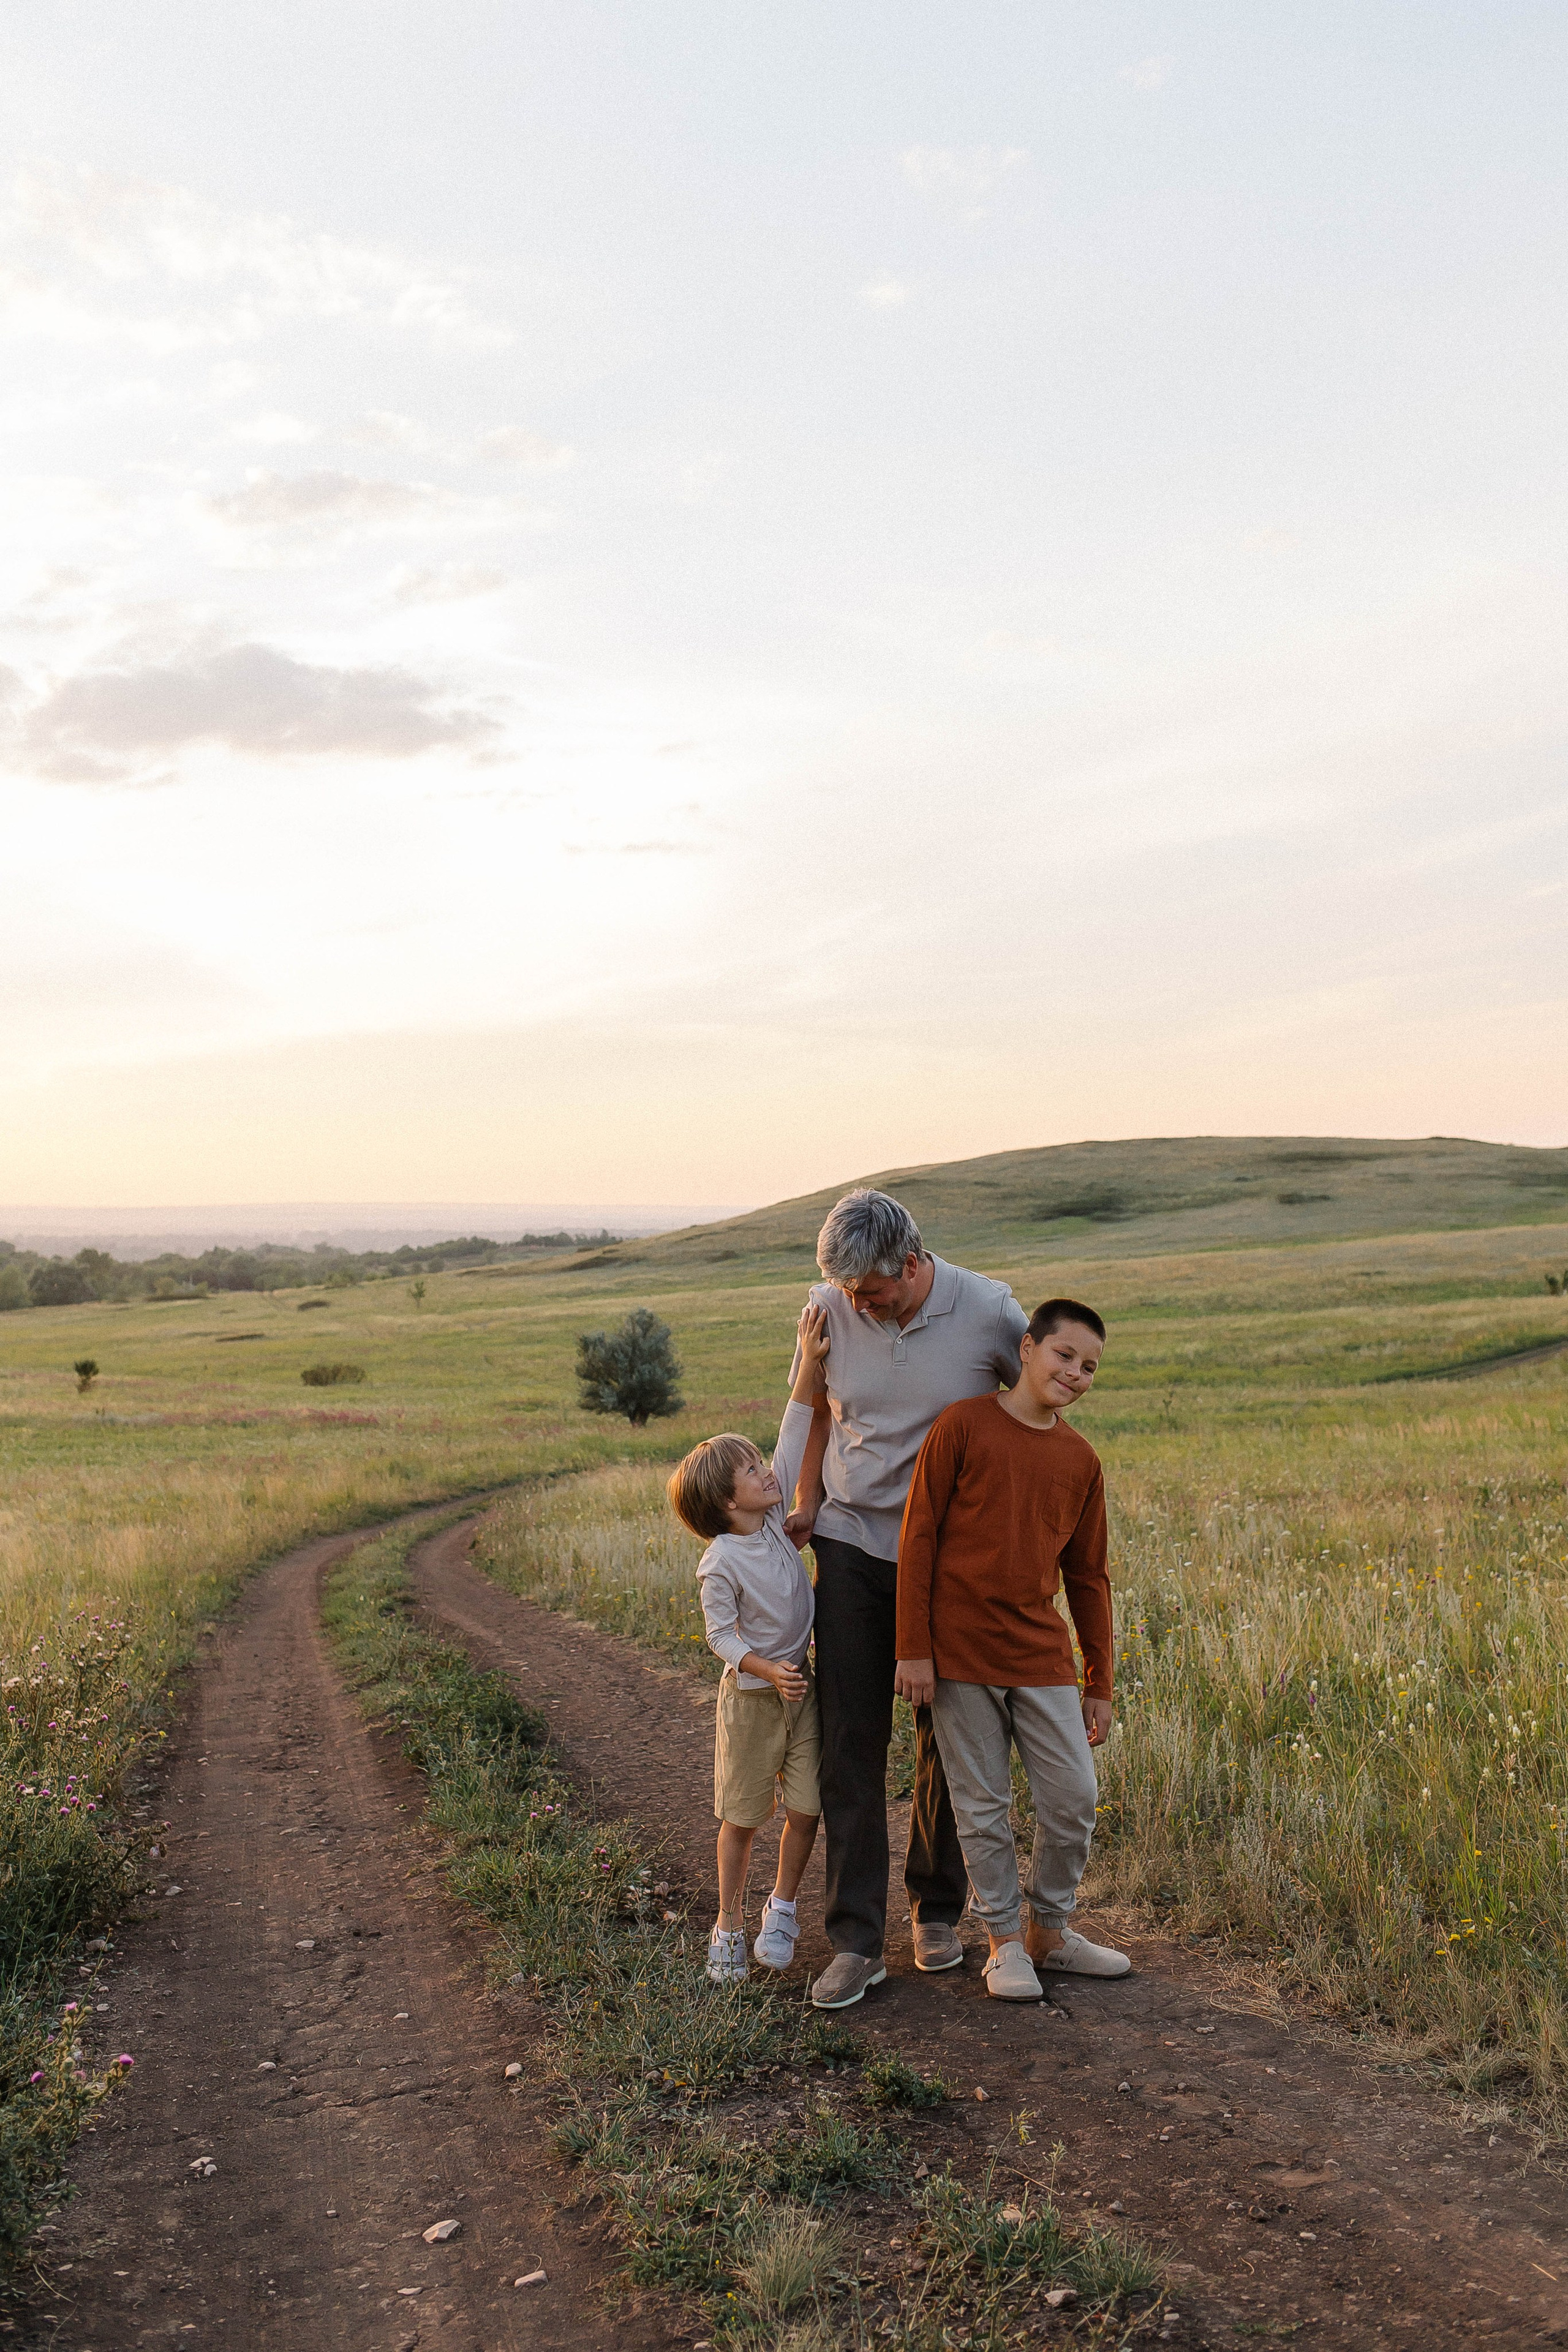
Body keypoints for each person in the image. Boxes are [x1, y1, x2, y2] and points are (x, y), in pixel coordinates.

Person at [785, 1189, 1030, 2010]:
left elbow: (1035, 1408)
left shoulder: (990, 1311)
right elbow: (814, 1413)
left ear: (914, 1263)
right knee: (848, 1742)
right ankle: (855, 1940)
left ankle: (935, 1910)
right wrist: (807, 1502)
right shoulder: (827, 1305)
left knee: (949, 1738)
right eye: (847, 1292)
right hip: (850, 1545)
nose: (858, 1306)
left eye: (872, 1292)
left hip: (952, 1561)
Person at [894, 1298, 1130, 2001]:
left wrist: (1100, 1682)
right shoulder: (963, 1426)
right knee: (982, 1805)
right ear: (1026, 1348)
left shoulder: (1080, 1460)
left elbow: (1088, 1577)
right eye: (1065, 1355)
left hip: (1039, 1654)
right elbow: (918, 1537)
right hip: (959, 1653)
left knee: (1074, 1797)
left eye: (1090, 1367)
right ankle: (1004, 1944)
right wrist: (913, 1649)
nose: (1076, 1373)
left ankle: (1049, 1933)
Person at [668, 1304, 831, 1984]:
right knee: (741, 1819)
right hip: (753, 1701)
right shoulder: (722, 1562)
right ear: (727, 1503)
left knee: (808, 1808)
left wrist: (809, 1358)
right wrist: (766, 1666)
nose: (769, 1472)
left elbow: (795, 1426)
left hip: (801, 1692)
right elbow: (719, 1636)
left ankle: (782, 1909)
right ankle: (729, 1922)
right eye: (753, 1470)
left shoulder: (769, 1523)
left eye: (762, 1464)